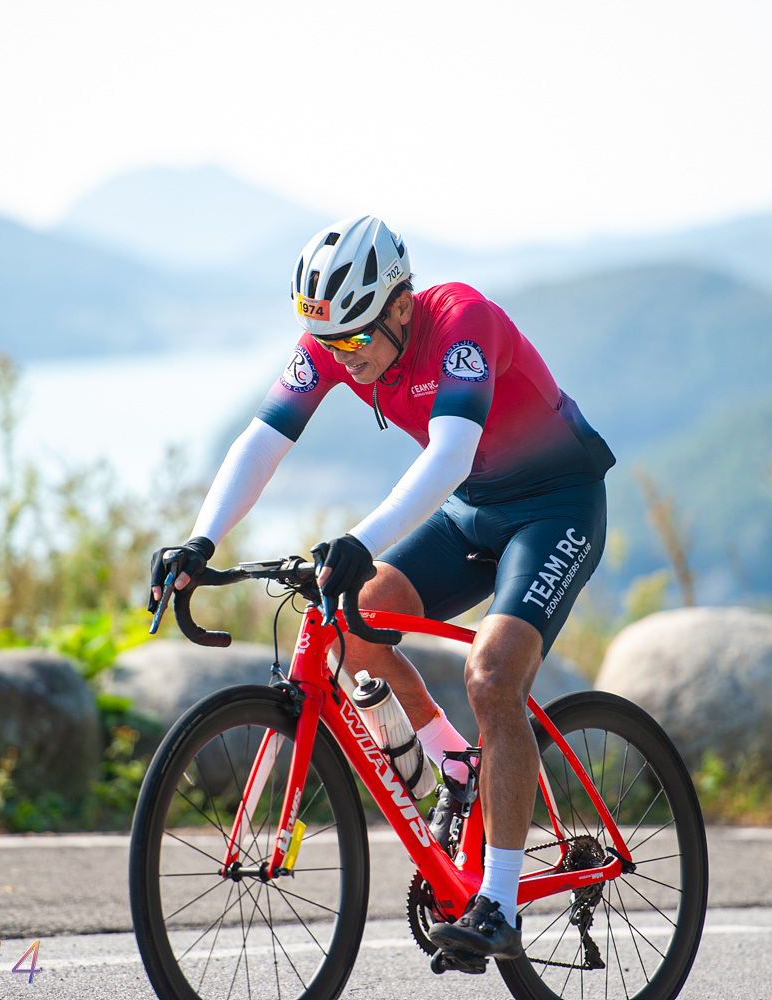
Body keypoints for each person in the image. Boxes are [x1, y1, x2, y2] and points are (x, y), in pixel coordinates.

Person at [149, 215, 614, 965]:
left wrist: (361, 541)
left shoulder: (463, 321)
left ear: (400, 305)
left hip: (556, 506)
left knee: (493, 676)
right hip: (474, 509)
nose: (346, 359)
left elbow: (450, 453)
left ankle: (498, 904)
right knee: (352, 625)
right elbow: (263, 439)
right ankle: (454, 762)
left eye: (357, 340)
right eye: (331, 345)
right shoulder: (340, 336)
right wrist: (201, 540)